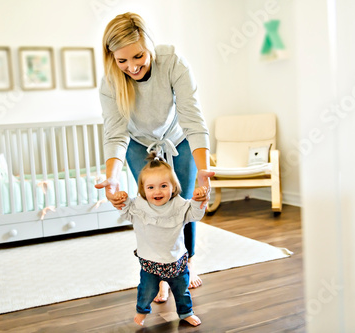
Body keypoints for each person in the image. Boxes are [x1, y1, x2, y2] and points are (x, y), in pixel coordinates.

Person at [95, 12, 214, 302]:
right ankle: (160, 274)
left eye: (138, 56)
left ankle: (184, 264)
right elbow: (116, 134)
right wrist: (111, 178)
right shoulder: (110, 82)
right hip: (138, 143)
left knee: (182, 204)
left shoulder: (172, 62)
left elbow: (193, 120)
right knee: (152, 204)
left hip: (179, 139)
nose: (132, 67)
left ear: (149, 45)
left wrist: (203, 169)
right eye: (122, 61)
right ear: (112, 58)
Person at [111, 152, 207, 326]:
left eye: (163, 185)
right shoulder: (139, 206)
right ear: (143, 189)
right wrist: (121, 200)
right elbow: (125, 212)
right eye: (151, 187)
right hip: (150, 263)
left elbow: (195, 214)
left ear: (173, 187)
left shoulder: (179, 205)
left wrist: (199, 200)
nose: (157, 191)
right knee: (146, 292)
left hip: (177, 262)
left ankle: (186, 313)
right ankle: (142, 312)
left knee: (182, 291)